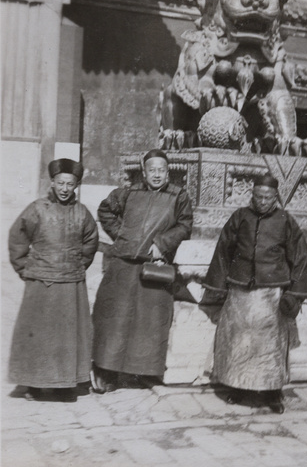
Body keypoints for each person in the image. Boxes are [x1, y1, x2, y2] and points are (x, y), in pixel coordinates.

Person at [201, 173, 307, 413]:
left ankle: (272, 392)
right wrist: (219, 286)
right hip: (240, 291)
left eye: (267, 197)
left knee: (269, 347)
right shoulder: (239, 217)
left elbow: (301, 257)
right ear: (252, 196)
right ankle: (237, 387)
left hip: (271, 294)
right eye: (258, 196)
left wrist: (295, 293)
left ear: (275, 197)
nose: (262, 201)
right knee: (239, 342)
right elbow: (223, 249)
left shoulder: (285, 221)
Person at [92, 149, 193, 392]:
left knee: (150, 322)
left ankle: (145, 372)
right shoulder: (129, 192)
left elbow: (185, 225)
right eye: (152, 170)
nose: (156, 175)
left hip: (154, 268)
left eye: (161, 170)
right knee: (114, 320)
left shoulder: (178, 196)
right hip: (123, 265)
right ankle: (107, 372)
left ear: (167, 172)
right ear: (144, 172)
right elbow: (105, 210)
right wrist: (122, 235)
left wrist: (162, 244)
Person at [8, 158, 98, 402]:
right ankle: (33, 384)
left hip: (70, 284)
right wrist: (24, 268)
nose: (65, 189)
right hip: (40, 282)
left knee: (67, 335)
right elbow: (17, 237)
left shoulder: (82, 213)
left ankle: (65, 383)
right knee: (37, 334)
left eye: (70, 184)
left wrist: (78, 265)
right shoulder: (37, 208)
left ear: (76, 185)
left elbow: (91, 241)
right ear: (52, 182)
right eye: (60, 183)